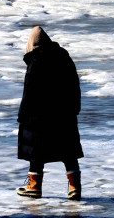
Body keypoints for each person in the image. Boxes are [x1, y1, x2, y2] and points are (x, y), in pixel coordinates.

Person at [16, 26, 84, 200]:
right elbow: (74, 85)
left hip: (39, 115)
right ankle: (75, 187)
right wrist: (75, 108)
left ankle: (34, 187)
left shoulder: (36, 61)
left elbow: (29, 91)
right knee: (68, 151)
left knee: (36, 151)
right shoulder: (64, 57)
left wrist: (22, 115)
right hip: (65, 113)